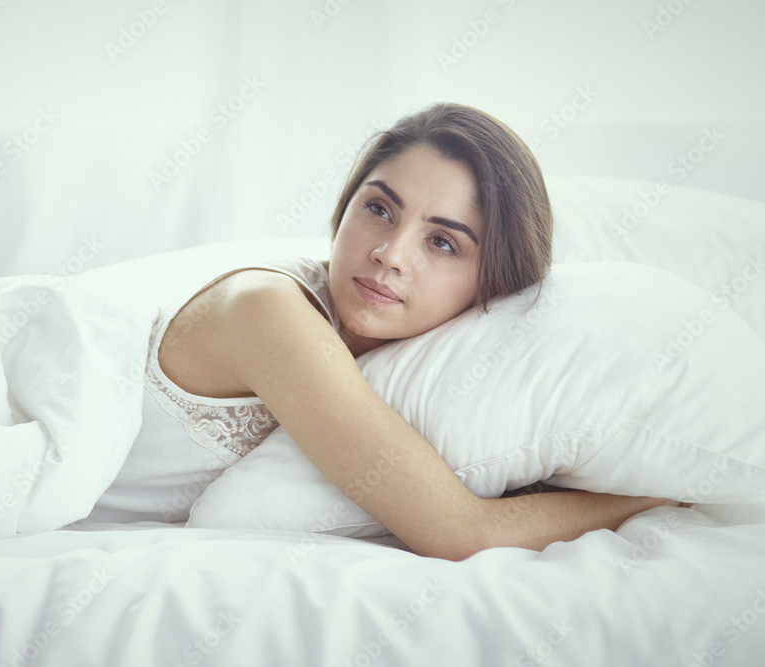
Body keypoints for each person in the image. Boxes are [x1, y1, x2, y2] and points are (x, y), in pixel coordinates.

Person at [89, 102, 686, 560]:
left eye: (443, 242)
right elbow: (460, 533)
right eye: (379, 208)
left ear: (493, 284)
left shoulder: (424, 361)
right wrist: (651, 495)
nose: (390, 253)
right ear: (346, 206)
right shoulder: (267, 309)